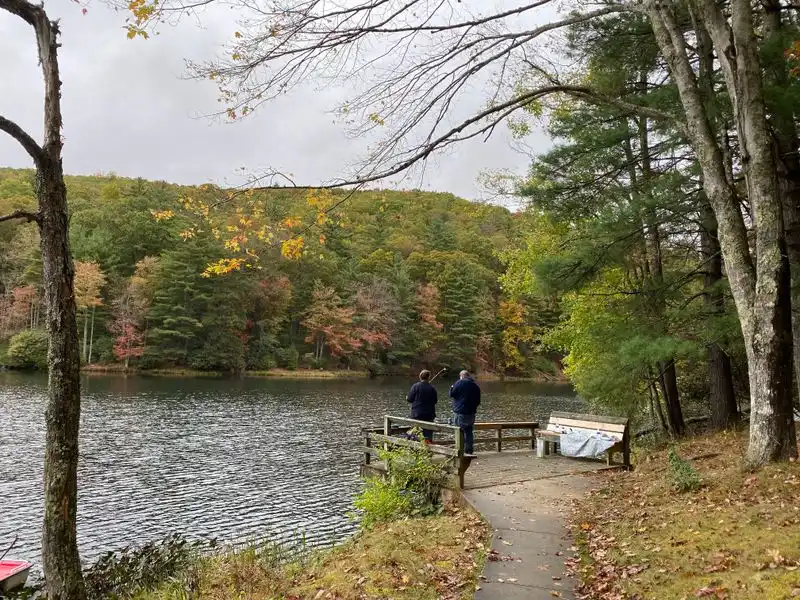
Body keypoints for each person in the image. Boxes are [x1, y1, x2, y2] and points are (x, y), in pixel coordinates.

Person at [449, 370, 480, 456]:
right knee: (469, 431)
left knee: (459, 431)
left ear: (461, 376)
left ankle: (459, 450)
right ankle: (469, 450)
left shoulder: (459, 383)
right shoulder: (475, 386)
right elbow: (478, 401)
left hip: (460, 412)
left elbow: (451, 394)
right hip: (471, 413)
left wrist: (452, 387)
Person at [407, 369, 438, 441]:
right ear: (428, 377)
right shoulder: (432, 388)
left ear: (420, 377)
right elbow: (435, 401)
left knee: (415, 433)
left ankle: (416, 449)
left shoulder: (415, 386)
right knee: (428, 434)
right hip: (429, 414)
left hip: (417, 414)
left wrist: (407, 397)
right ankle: (428, 449)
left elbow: (409, 399)